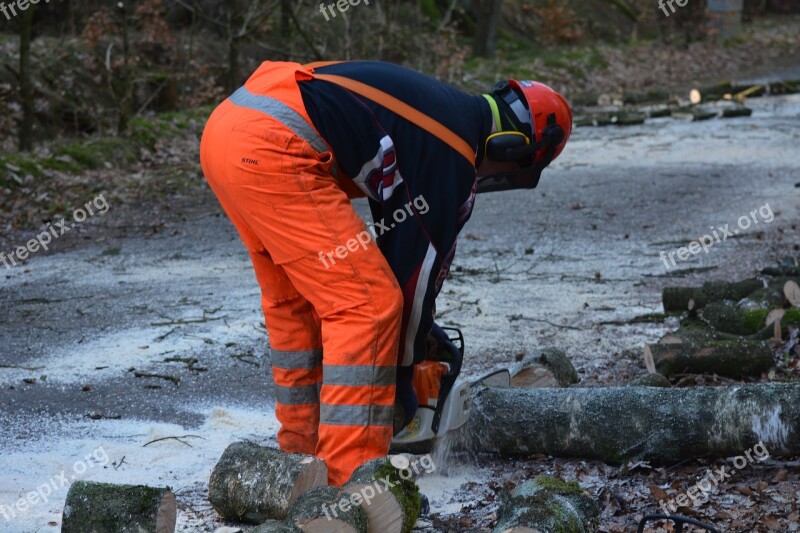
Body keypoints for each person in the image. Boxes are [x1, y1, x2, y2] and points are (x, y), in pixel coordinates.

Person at [199, 60, 572, 486]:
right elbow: (412, 278)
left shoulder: (439, 114)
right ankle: (350, 485)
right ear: (514, 148)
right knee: (368, 307)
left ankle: (297, 465)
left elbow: (401, 252)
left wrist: (418, 339)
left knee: (298, 307)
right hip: (275, 144)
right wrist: (404, 367)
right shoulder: (452, 151)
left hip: (229, 131)